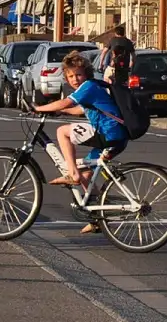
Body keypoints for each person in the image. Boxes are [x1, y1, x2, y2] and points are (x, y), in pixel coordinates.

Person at [33, 50, 128, 217]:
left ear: (86, 74)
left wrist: (39, 108)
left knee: (62, 131)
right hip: (116, 136)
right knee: (87, 176)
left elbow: (66, 102)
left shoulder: (88, 86)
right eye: (70, 77)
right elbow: (78, 109)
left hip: (107, 131)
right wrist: (63, 112)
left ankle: (72, 173)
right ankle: (98, 218)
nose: (75, 79)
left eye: (78, 75)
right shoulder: (92, 87)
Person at [103, 22, 135, 88]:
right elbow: (133, 56)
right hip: (124, 69)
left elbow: (104, 52)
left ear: (115, 33)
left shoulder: (112, 40)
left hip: (113, 67)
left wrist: (101, 64)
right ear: (124, 33)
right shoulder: (128, 42)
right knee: (125, 85)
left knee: (106, 80)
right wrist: (130, 67)